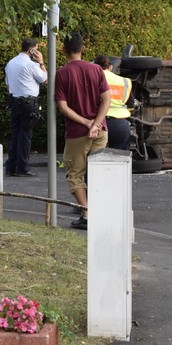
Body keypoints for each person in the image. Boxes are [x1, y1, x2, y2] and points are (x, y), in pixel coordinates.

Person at [55, 33, 110, 230]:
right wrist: (96, 123)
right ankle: (101, 211)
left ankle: (87, 213)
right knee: (98, 172)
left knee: (75, 174)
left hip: (77, 132)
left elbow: (63, 107)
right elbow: (106, 99)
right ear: (83, 49)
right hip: (100, 130)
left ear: (63, 50)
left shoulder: (62, 74)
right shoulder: (96, 69)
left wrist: (86, 123)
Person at [4, 38, 47, 177]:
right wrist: (41, 61)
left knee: (16, 133)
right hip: (29, 103)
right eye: (37, 48)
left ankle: (11, 166)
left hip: (14, 101)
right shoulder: (31, 65)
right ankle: (22, 167)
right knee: (25, 135)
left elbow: (8, 83)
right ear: (32, 50)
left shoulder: (10, 63)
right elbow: (45, 79)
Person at [93, 54, 133, 150]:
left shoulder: (91, 78)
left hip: (97, 123)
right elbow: (130, 104)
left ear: (94, 66)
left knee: (94, 159)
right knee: (120, 159)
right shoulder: (124, 81)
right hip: (119, 125)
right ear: (110, 67)